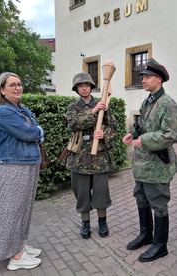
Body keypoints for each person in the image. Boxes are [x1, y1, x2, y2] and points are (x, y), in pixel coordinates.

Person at [122, 59, 177, 262]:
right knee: (141, 198)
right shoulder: (148, 101)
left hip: (157, 165)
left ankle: (160, 245)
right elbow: (143, 126)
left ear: (158, 79)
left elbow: (172, 134)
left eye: (147, 77)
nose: (143, 80)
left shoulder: (167, 104)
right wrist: (133, 134)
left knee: (158, 203)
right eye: (143, 77)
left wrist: (143, 141)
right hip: (142, 164)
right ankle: (146, 234)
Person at [0, 72, 44, 271]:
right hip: (13, 167)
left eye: (20, 84)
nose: (18, 87)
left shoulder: (21, 109)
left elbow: (34, 129)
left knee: (23, 209)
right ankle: (16, 257)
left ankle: (19, 245)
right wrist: (38, 132)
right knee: (10, 211)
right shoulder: (3, 112)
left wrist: (36, 131)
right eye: (12, 85)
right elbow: (29, 132)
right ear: (2, 90)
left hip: (27, 164)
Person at [66, 72, 116, 239]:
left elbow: (113, 127)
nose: (84, 88)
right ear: (76, 89)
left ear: (91, 87)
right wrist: (94, 111)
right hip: (80, 158)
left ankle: (102, 221)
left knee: (101, 192)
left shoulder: (103, 104)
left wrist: (104, 134)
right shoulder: (73, 108)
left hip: (99, 158)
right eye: (81, 86)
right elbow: (73, 124)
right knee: (82, 193)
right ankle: (85, 222)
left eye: (87, 85)